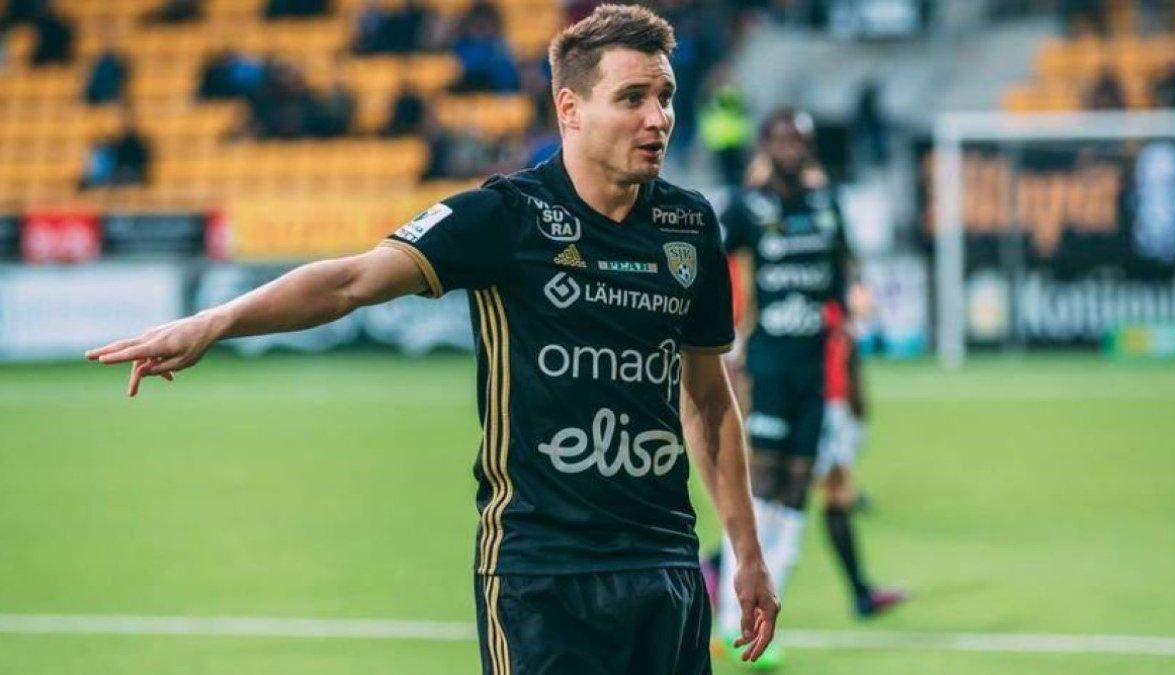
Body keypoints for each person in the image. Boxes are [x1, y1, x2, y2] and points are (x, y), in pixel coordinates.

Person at [85, 5, 779, 673]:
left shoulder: (690, 226)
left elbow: (708, 399)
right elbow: (350, 281)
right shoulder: (506, 215)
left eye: (665, 96)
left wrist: (746, 552)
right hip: (542, 572)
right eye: (632, 98)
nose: (658, 118)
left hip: (665, 566)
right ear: (570, 109)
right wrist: (215, 322)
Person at [709, 108, 904, 668]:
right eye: (780, 139)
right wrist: (724, 351)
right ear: (765, 146)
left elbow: (844, 276)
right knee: (761, 489)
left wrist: (855, 310)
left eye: (799, 139)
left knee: (797, 495)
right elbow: (712, 267)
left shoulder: (826, 206)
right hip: (767, 365)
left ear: (811, 147)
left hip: (815, 370)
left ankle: (764, 624)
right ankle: (728, 621)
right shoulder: (747, 207)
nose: (790, 148)